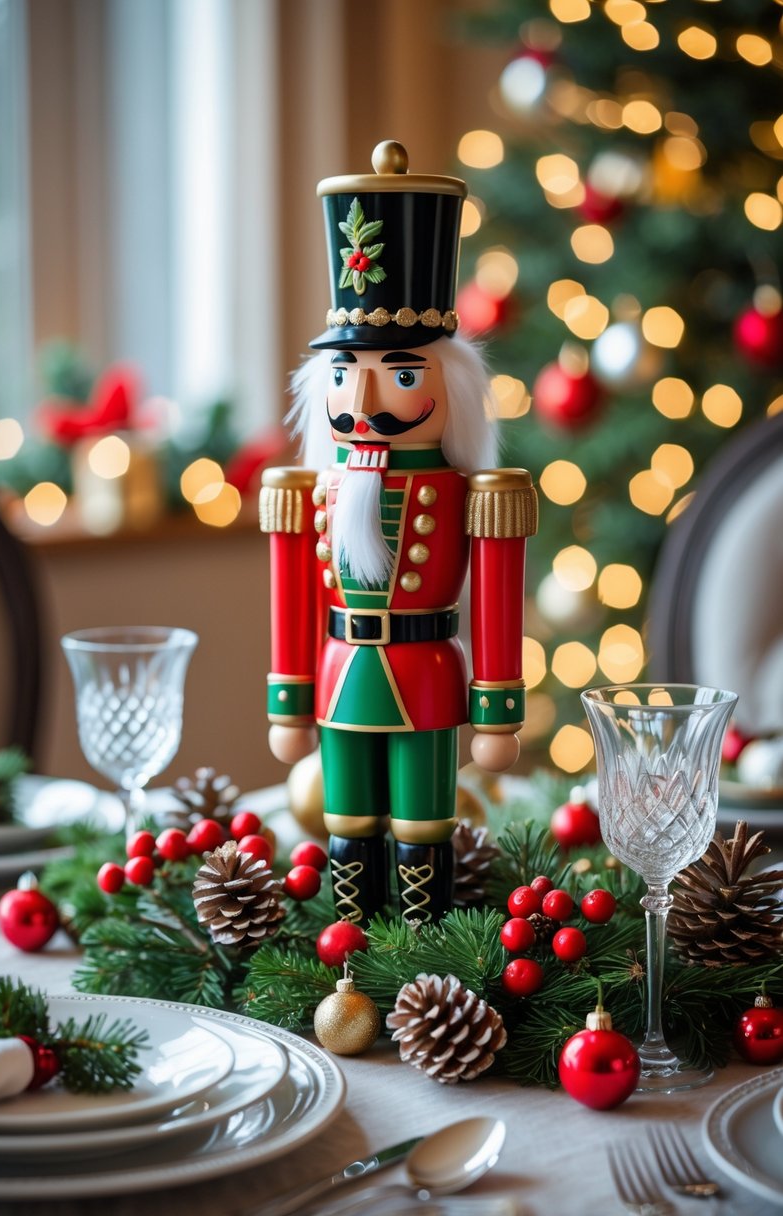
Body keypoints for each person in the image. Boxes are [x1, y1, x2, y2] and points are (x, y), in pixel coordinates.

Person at [260, 141, 537, 925]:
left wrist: (496, 710)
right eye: (345, 375)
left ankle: (418, 942)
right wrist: (288, 702)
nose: (367, 394)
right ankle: (353, 939)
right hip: (344, 667)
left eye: (402, 374)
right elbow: (289, 592)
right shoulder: (309, 488)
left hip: (425, 673)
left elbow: (496, 598)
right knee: (346, 823)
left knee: (423, 823)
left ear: (447, 385)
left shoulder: (471, 493)